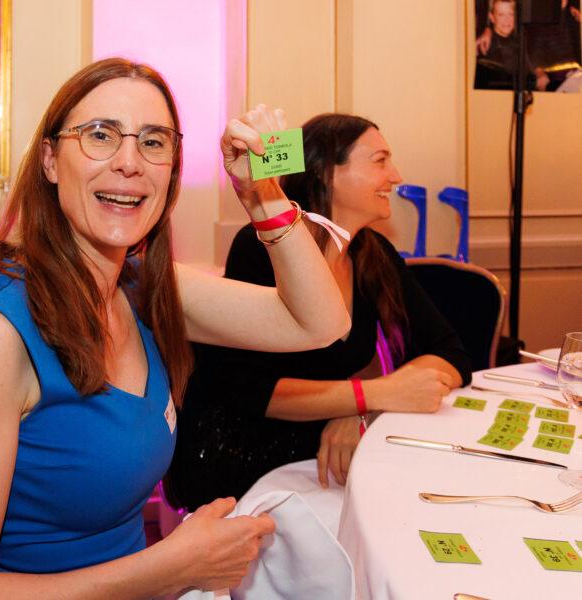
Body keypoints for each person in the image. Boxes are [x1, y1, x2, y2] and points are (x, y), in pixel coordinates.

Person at [0, 58, 351, 599]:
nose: (129, 163)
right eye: (100, 135)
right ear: (50, 160)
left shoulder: (141, 287)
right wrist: (173, 566)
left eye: (153, 142)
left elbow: (320, 324)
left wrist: (263, 195)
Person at [169, 113, 473, 512]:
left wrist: (357, 407)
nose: (396, 176)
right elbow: (248, 391)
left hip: (326, 453)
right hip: (245, 461)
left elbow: (452, 354)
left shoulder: (373, 254)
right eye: (380, 161)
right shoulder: (262, 247)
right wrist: (372, 395)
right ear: (327, 172)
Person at [475, 0, 550, 90]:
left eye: (510, 14)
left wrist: (539, 77)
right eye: (501, 15)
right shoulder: (484, 45)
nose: (507, 20)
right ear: (492, 17)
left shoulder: (519, 43)